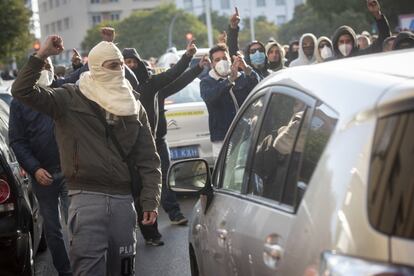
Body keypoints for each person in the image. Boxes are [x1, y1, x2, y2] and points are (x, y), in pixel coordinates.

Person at [11, 35, 161, 275]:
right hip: (85, 198)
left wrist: (151, 200)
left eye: (121, 64)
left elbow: (149, 158)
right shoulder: (69, 97)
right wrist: (42, 56)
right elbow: (21, 91)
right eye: (112, 65)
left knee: (124, 269)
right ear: (96, 67)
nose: (119, 70)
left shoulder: (133, 105)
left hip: (124, 201)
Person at [9, 57, 71, 276]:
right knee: (53, 230)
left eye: (48, 67)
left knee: (77, 224)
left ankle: (84, 267)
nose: (45, 71)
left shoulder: (64, 92)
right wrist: (34, 168)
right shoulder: (19, 102)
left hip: (71, 172)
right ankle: (65, 271)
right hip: (43, 176)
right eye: (41, 67)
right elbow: (17, 141)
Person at [200, 44, 259, 158]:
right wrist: (229, 80)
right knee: (224, 172)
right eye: (217, 60)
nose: (221, 62)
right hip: (222, 137)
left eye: (224, 58)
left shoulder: (241, 77)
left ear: (230, 59)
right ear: (212, 64)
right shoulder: (206, 82)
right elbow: (210, 97)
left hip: (244, 134)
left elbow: (258, 86)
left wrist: (246, 68)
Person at [227, 8, 269, 80]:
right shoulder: (244, 75)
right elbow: (233, 49)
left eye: (260, 50)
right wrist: (233, 28)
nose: (257, 53)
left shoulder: (273, 75)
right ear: (248, 55)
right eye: (253, 51)